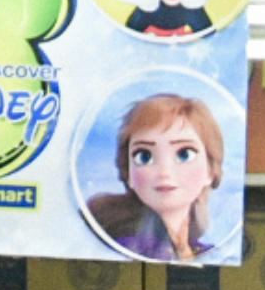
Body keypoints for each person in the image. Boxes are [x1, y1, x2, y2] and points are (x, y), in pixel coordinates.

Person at [86, 95, 226, 264]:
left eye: (184, 154)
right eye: (144, 156)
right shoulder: (128, 249)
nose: (164, 172)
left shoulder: (210, 252)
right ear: (128, 173)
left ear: (210, 170)